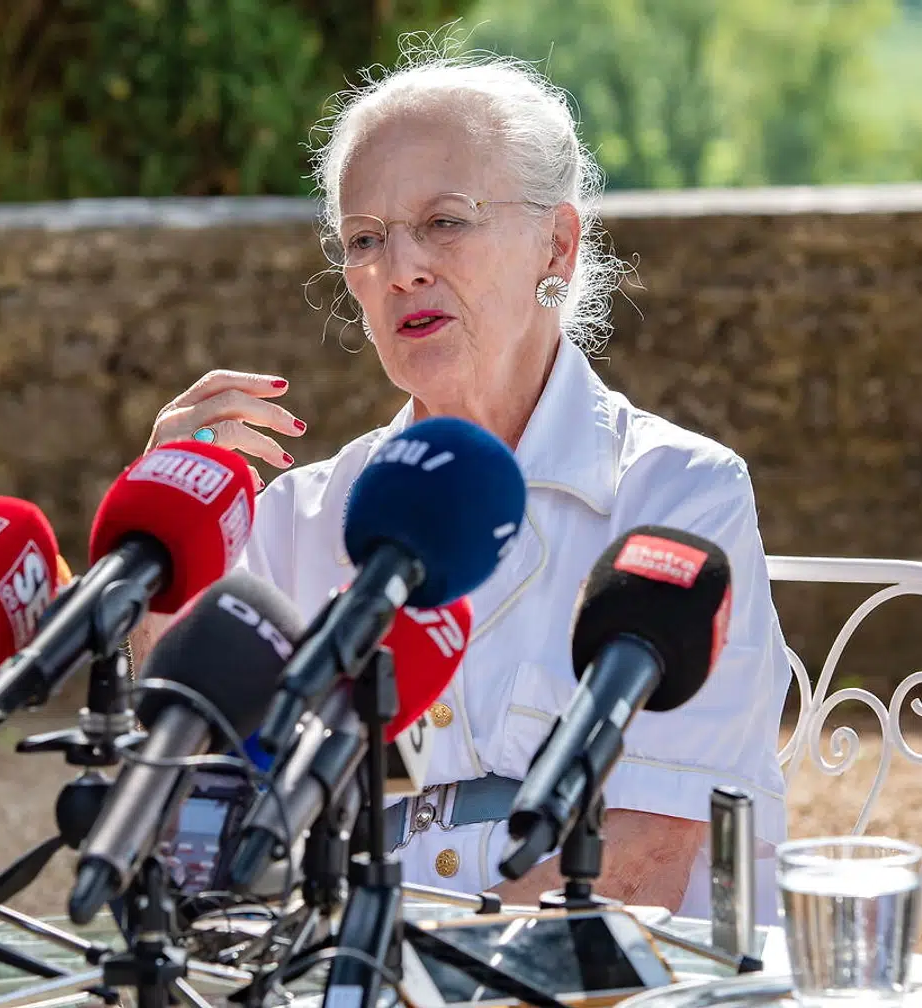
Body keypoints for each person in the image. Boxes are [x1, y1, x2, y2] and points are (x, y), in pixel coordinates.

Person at [129, 44, 791, 922]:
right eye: (365, 239)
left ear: (556, 242)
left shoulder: (676, 495)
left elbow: (643, 865)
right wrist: (161, 557)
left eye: (445, 221)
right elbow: (194, 817)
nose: (401, 268)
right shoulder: (307, 514)